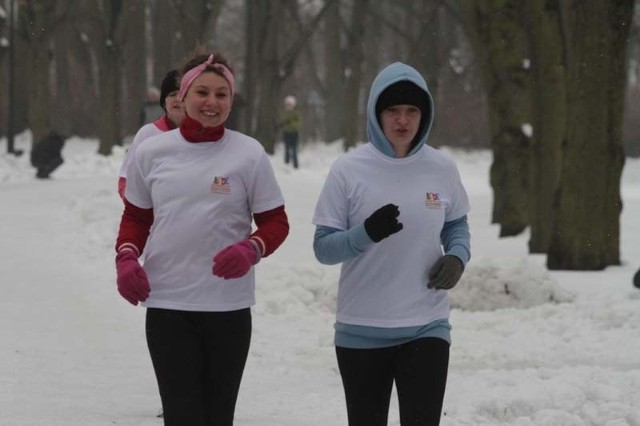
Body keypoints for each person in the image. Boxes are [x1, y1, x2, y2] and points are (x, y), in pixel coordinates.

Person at [114, 52, 290, 425]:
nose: (211, 102)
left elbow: (276, 222)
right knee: (181, 415)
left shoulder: (249, 153)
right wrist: (127, 258)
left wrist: (251, 248)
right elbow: (136, 216)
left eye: (221, 95)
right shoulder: (152, 151)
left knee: (217, 416)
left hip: (228, 308)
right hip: (168, 305)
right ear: (185, 95)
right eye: (202, 92)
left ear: (231, 100)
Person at [312, 62, 471, 426]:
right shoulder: (348, 170)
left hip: (426, 326)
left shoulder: (442, 168)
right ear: (376, 114)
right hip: (361, 329)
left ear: (424, 114)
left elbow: (457, 224)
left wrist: (458, 257)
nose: (403, 120)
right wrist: (364, 233)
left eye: (412, 110)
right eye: (393, 110)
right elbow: (323, 248)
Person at [118, 69, 185, 199]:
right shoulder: (147, 134)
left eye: (182, 94)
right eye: (172, 94)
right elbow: (125, 178)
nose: (177, 99)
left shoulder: (204, 136)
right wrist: (140, 209)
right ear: (164, 102)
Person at [279, 95, 302, 169]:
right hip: (286, 133)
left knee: (294, 149)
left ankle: (295, 165)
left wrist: (291, 123)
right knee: (287, 149)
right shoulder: (284, 113)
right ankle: (286, 164)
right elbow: (282, 121)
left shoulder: (296, 113)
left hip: (294, 133)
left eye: (290, 105)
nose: (288, 106)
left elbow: (298, 123)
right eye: (287, 104)